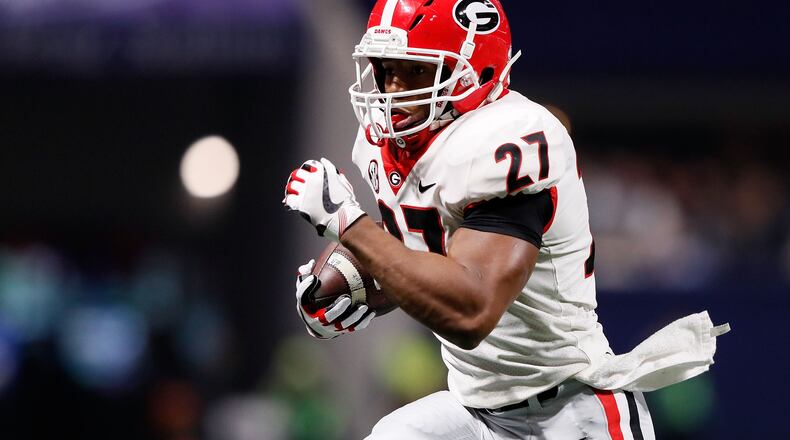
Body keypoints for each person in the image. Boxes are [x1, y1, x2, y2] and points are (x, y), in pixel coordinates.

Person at [283, 1, 729, 438]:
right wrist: (358, 289)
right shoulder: (390, 143)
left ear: (476, 70)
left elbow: (471, 309)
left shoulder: (509, 139)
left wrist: (350, 225)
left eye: (416, 70)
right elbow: (426, 252)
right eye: (386, 68)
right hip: (475, 407)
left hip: (568, 409)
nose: (395, 89)